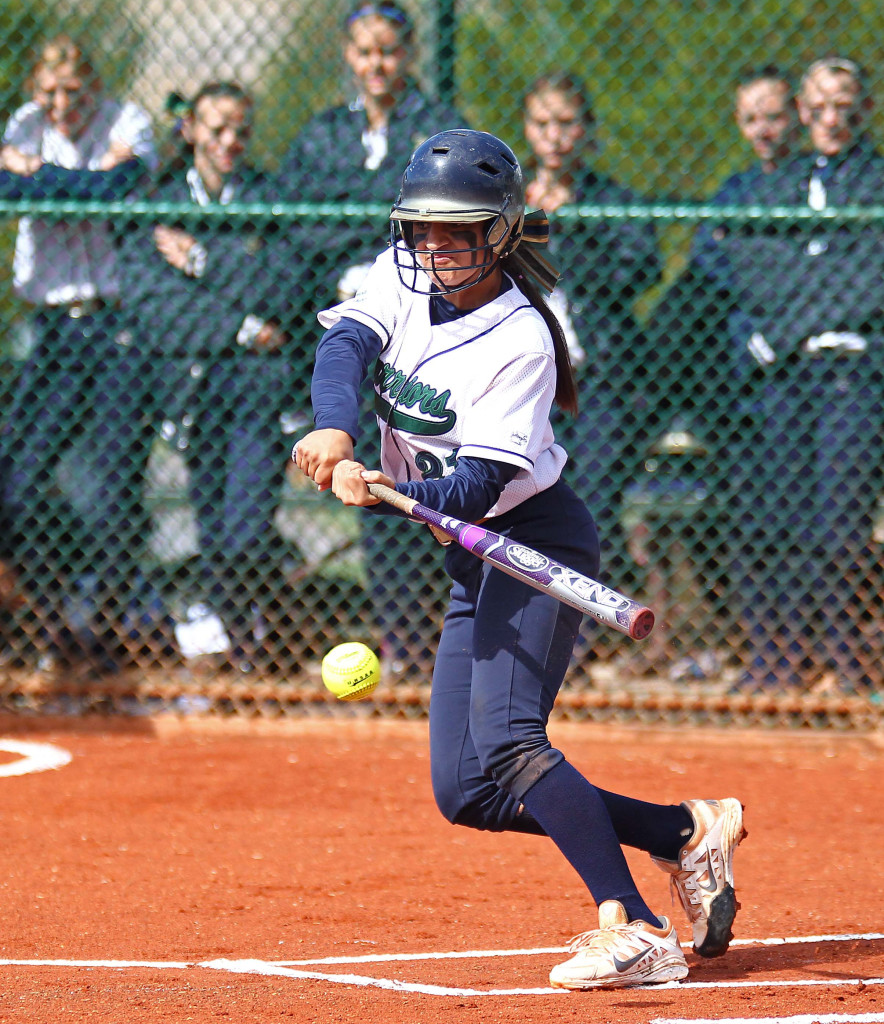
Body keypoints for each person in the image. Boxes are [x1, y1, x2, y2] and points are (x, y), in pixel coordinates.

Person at [293, 128, 746, 988]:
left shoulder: (520, 341)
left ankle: (637, 927)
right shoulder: (402, 274)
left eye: (455, 231)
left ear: (499, 233)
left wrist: (399, 497)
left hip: (531, 539)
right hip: (475, 554)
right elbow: (344, 345)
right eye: (421, 228)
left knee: (508, 740)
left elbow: (478, 488)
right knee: (468, 790)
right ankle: (682, 833)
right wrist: (334, 425)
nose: (432, 247)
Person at [281, 0, 468, 671]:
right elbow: (299, 226)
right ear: (348, 56)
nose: (376, 64)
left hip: (424, 327)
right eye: (363, 52)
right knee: (370, 481)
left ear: (408, 53)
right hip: (353, 327)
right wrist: (371, 216)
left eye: (387, 51)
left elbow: (434, 220)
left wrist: (361, 215)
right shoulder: (325, 133)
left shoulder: (436, 132)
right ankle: (403, 642)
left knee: (433, 476)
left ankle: (452, 638)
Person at [115, 82, 300, 672]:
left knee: (246, 525)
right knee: (213, 525)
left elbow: (286, 286)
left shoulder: (270, 197)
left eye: (241, 131)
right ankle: (239, 643)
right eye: (216, 130)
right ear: (190, 129)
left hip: (256, 391)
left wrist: (203, 263)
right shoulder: (163, 201)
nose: (230, 143)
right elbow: (157, 307)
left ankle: (259, 624)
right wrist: (244, 325)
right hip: (193, 389)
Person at [718, 57, 884, 693]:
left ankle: (842, 657)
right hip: (786, 378)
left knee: (840, 523)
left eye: (844, 105)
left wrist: (783, 325)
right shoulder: (781, 182)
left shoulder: (873, 180)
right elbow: (756, 267)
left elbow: (869, 280)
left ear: (864, 109)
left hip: (849, 366)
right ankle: (785, 658)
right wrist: (818, 279)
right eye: (817, 108)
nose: (830, 119)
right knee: (783, 517)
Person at [0, 34, 158, 671]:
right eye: (50, 91)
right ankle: (41, 621)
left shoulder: (128, 119)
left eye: (74, 92)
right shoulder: (25, 121)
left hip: (117, 326)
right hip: (50, 328)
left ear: (93, 87)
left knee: (114, 488)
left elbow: (116, 186)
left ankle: (105, 626)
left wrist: (41, 174)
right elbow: (21, 196)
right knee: (20, 478)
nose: (61, 105)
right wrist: (66, 182)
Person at [521, 73, 662, 659]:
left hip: (597, 382)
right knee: (526, 505)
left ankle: (577, 634)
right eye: (542, 124)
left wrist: (568, 224)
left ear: (587, 130)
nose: (555, 137)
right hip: (527, 384)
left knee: (591, 504)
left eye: (567, 124)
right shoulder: (511, 200)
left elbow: (638, 270)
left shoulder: (612, 200)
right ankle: (533, 627)